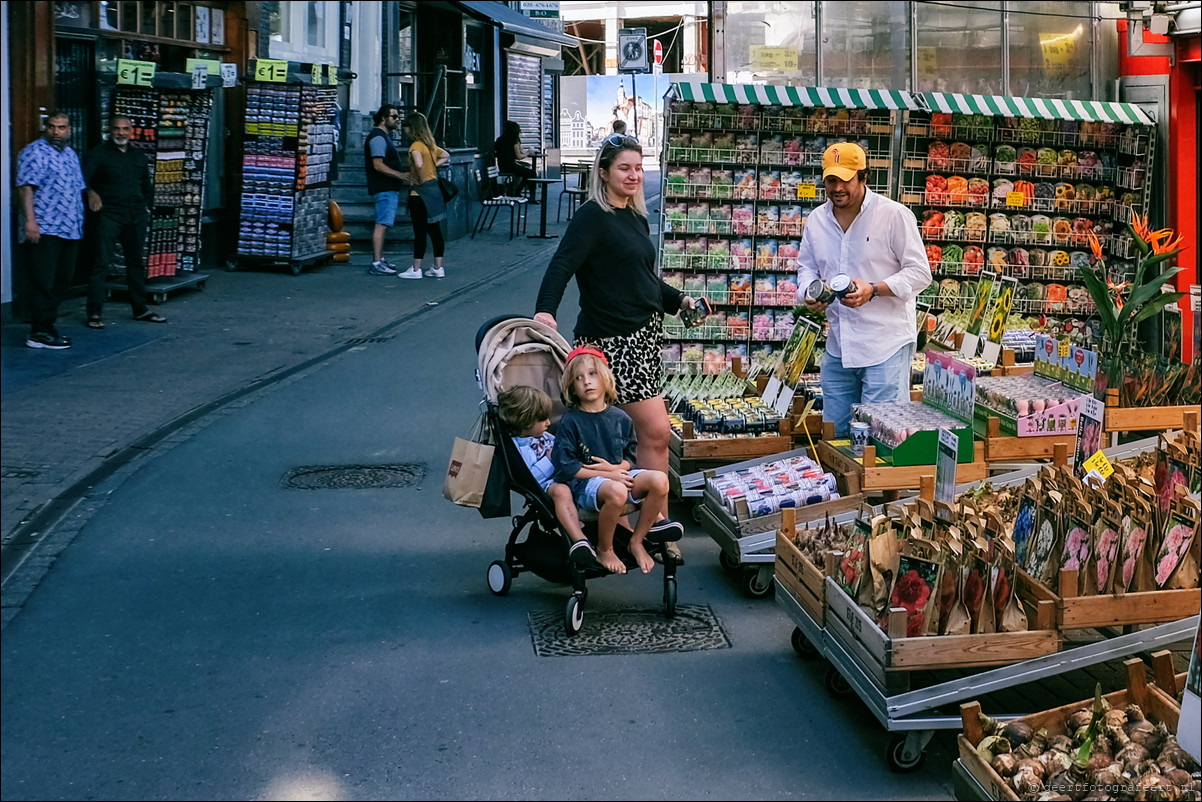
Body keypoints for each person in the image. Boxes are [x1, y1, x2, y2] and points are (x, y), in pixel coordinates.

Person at [534, 133, 698, 564]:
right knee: (655, 432)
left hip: (642, 340)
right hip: (608, 345)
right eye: (624, 168)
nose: (634, 175)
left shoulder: (635, 217)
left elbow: (644, 280)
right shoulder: (592, 217)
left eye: (639, 168)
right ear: (603, 173)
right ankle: (644, 522)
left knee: (627, 438)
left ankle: (645, 523)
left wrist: (679, 300)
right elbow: (561, 265)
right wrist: (545, 312)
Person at [795, 142, 932, 436]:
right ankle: (839, 484)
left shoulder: (893, 215)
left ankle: (881, 484)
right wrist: (809, 290)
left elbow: (921, 272)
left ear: (864, 177)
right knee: (837, 435)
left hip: (885, 345)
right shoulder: (817, 221)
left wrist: (875, 289)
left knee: (880, 437)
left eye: (845, 179)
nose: (837, 187)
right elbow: (805, 266)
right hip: (839, 345)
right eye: (831, 180)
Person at [551, 348, 680, 574]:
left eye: (592, 374)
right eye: (578, 378)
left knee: (660, 481)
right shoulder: (570, 421)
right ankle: (605, 548)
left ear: (605, 377)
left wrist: (616, 469)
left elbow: (629, 458)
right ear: (571, 386)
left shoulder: (621, 418)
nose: (587, 382)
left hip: (617, 475)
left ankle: (637, 540)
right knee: (618, 491)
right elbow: (566, 466)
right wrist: (609, 475)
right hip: (586, 484)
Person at [496, 385, 601, 570]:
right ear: (527, 422)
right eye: (542, 419)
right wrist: (550, 459)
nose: (547, 423)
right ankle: (579, 540)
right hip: (547, 486)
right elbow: (531, 476)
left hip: (567, 477)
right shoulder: (520, 449)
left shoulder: (544, 436)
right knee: (561, 490)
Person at [83, 115, 166, 327]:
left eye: (125, 129)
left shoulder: (138, 156)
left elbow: (146, 185)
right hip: (109, 215)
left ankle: (140, 309)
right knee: (101, 263)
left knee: (136, 264)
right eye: (116, 129)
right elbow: (81, 180)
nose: (121, 133)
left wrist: (146, 207)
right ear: (109, 130)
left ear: (131, 131)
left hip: (136, 215)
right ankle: (94, 313)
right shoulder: (98, 154)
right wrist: (91, 192)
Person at [17, 111, 87, 349]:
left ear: (69, 130)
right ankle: (40, 331)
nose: (56, 132)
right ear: (45, 128)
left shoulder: (70, 154)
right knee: (43, 280)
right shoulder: (34, 152)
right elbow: (26, 188)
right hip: (45, 227)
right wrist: (30, 221)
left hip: (70, 228)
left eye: (62, 127)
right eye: (52, 127)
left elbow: (77, 189)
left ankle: (47, 326)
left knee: (61, 280)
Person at [396, 112, 449, 280]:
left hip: (419, 193)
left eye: (406, 127)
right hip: (434, 191)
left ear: (412, 128)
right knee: (435, 231)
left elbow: (418, 164)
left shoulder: (416, 146)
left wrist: (419, 178)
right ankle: (437, 267)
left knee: (419, 231)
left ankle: (416, 268)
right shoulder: (430, 145)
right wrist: (433, 166)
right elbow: (446, 155)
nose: (404, 130)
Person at [364, 104, 406, 276]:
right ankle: (376, 262)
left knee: (383, 223)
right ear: (383, 118)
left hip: (386, 187)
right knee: (381, 224)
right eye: (394, 117)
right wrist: (399, 175)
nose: (397, 120)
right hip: (384, 187)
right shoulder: (378, 138)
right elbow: (378, 164)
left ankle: (380, 259)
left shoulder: (382, 137)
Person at [493, 120, 537, 200]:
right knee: (532, 173)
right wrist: (528, 152)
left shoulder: (499, 140)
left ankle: (515, 190)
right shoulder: (514, 141)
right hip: (510, 166)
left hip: (502, 166)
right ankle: (522, 193)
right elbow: (519, 156)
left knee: (525, 170)